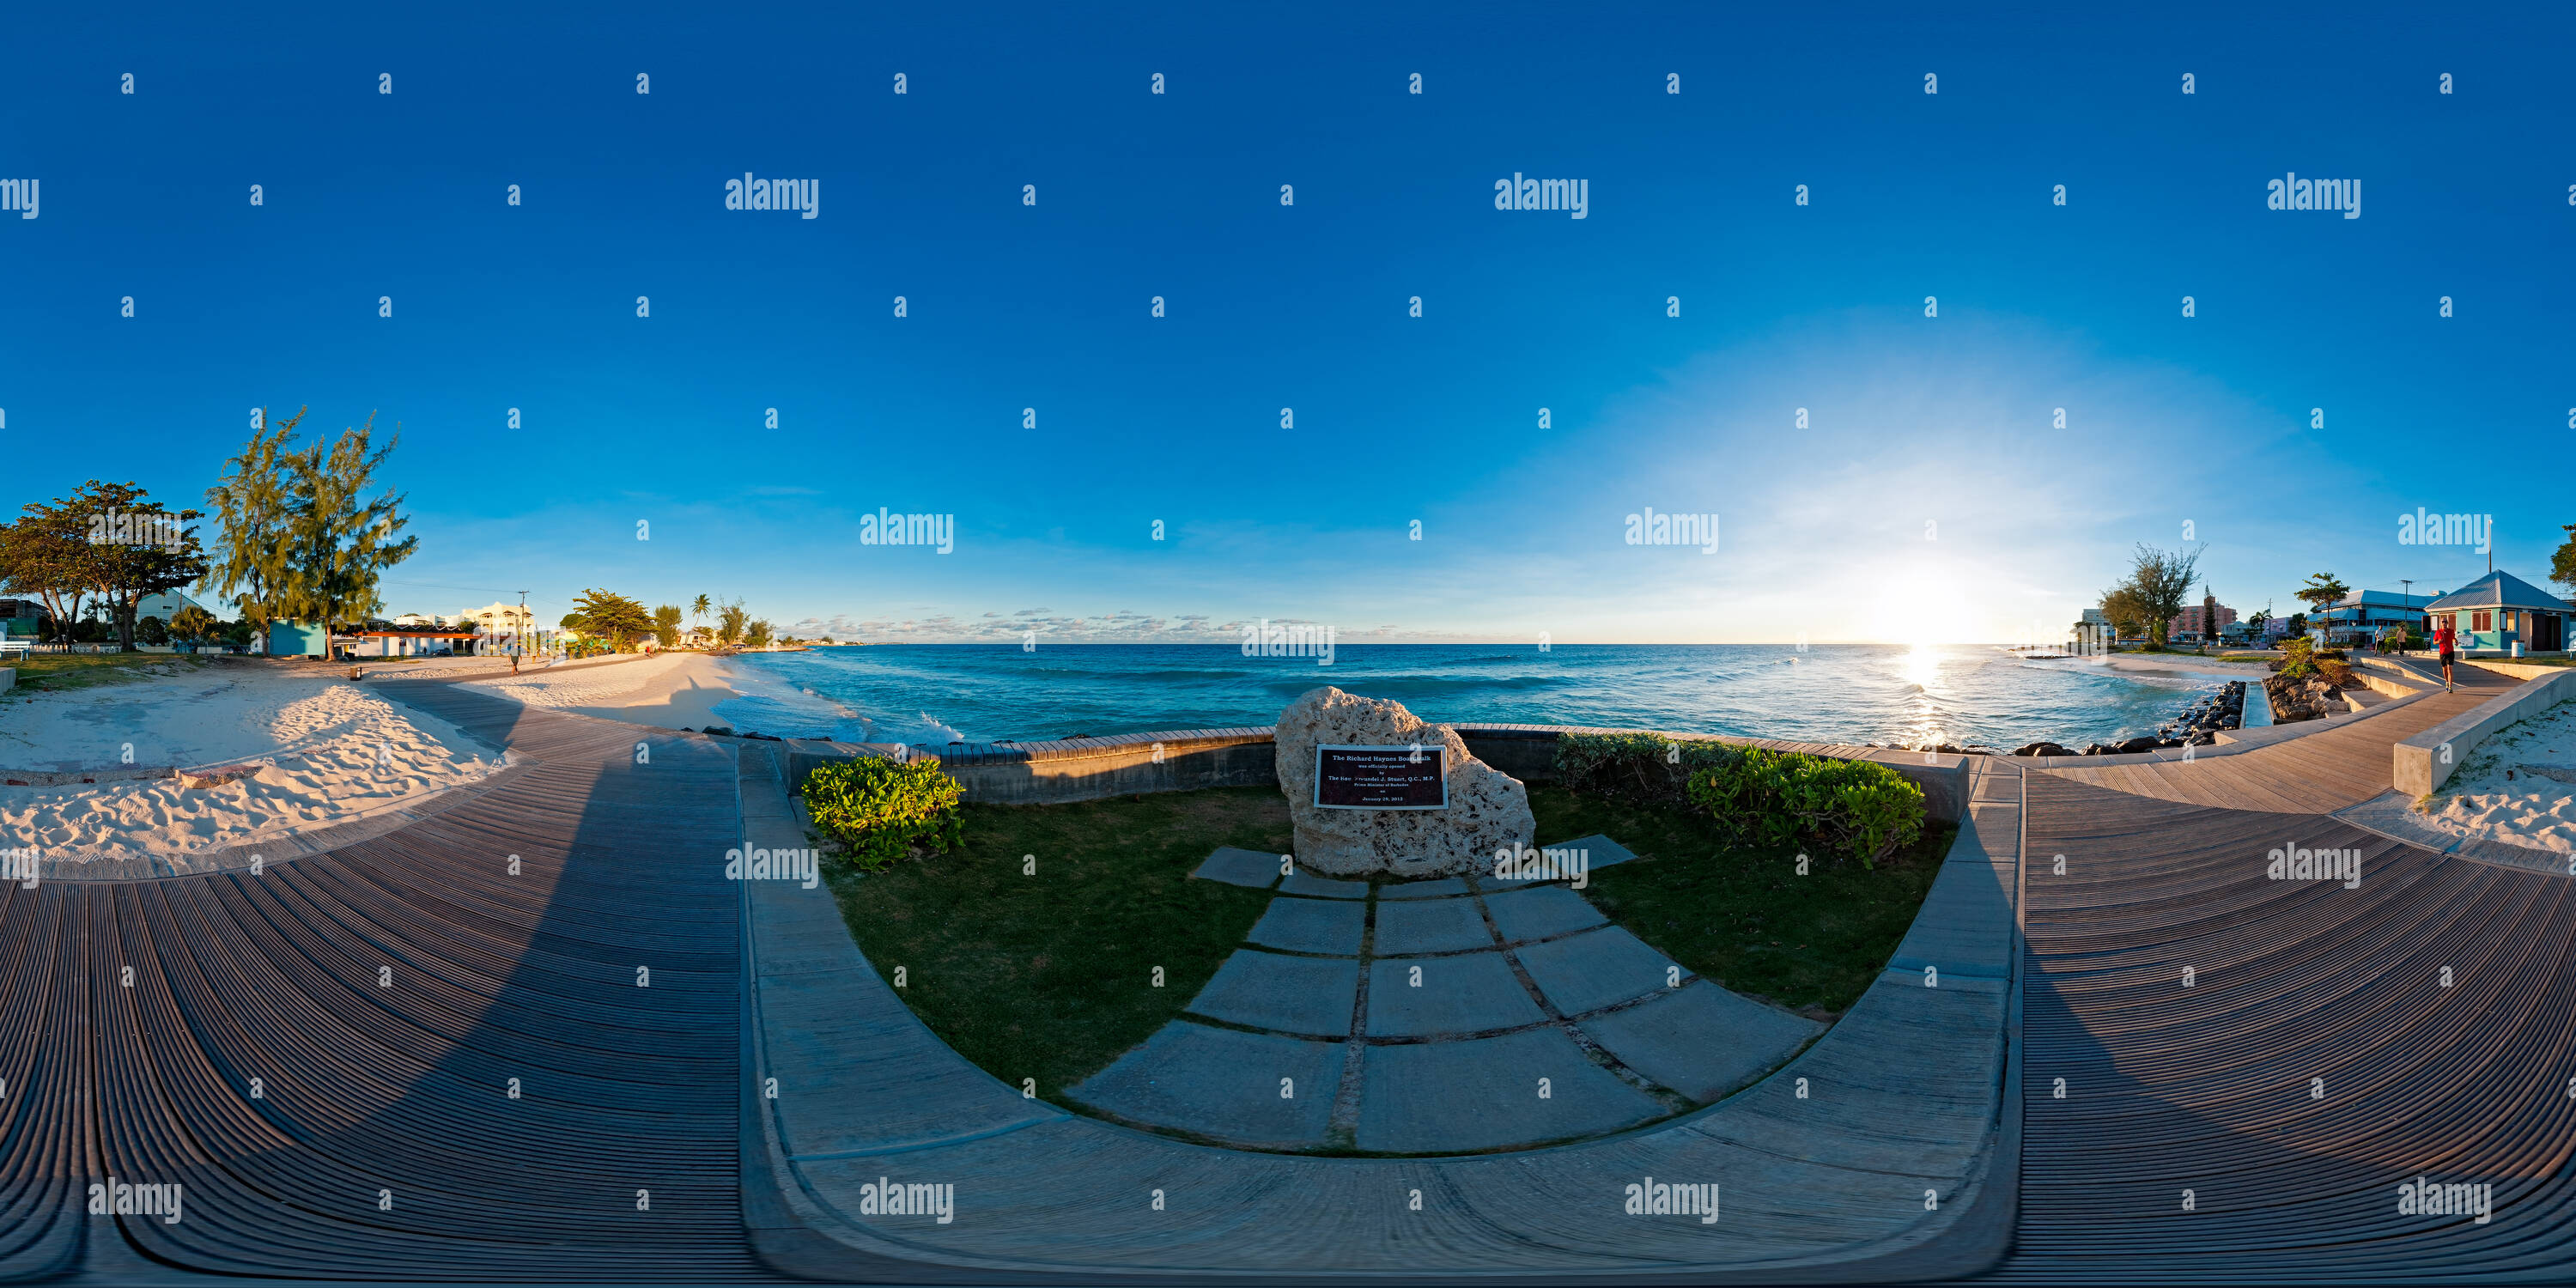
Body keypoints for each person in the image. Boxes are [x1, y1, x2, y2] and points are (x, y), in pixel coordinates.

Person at [2433, 617, 2457, 691]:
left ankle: (2450, 687)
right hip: (2442, 653)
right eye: (2443, 622)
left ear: (2447, 623)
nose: (2444, 623)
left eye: (2446, 622)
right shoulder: (2438, 632)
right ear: (2441, 623)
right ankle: (2446, 682)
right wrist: (2438, 642)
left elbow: (2453, 638)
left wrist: (2456, 641)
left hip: (2450, 652)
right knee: (2444, 670)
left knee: (2450, 669)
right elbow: (2434, 642)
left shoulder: (2451, 631)